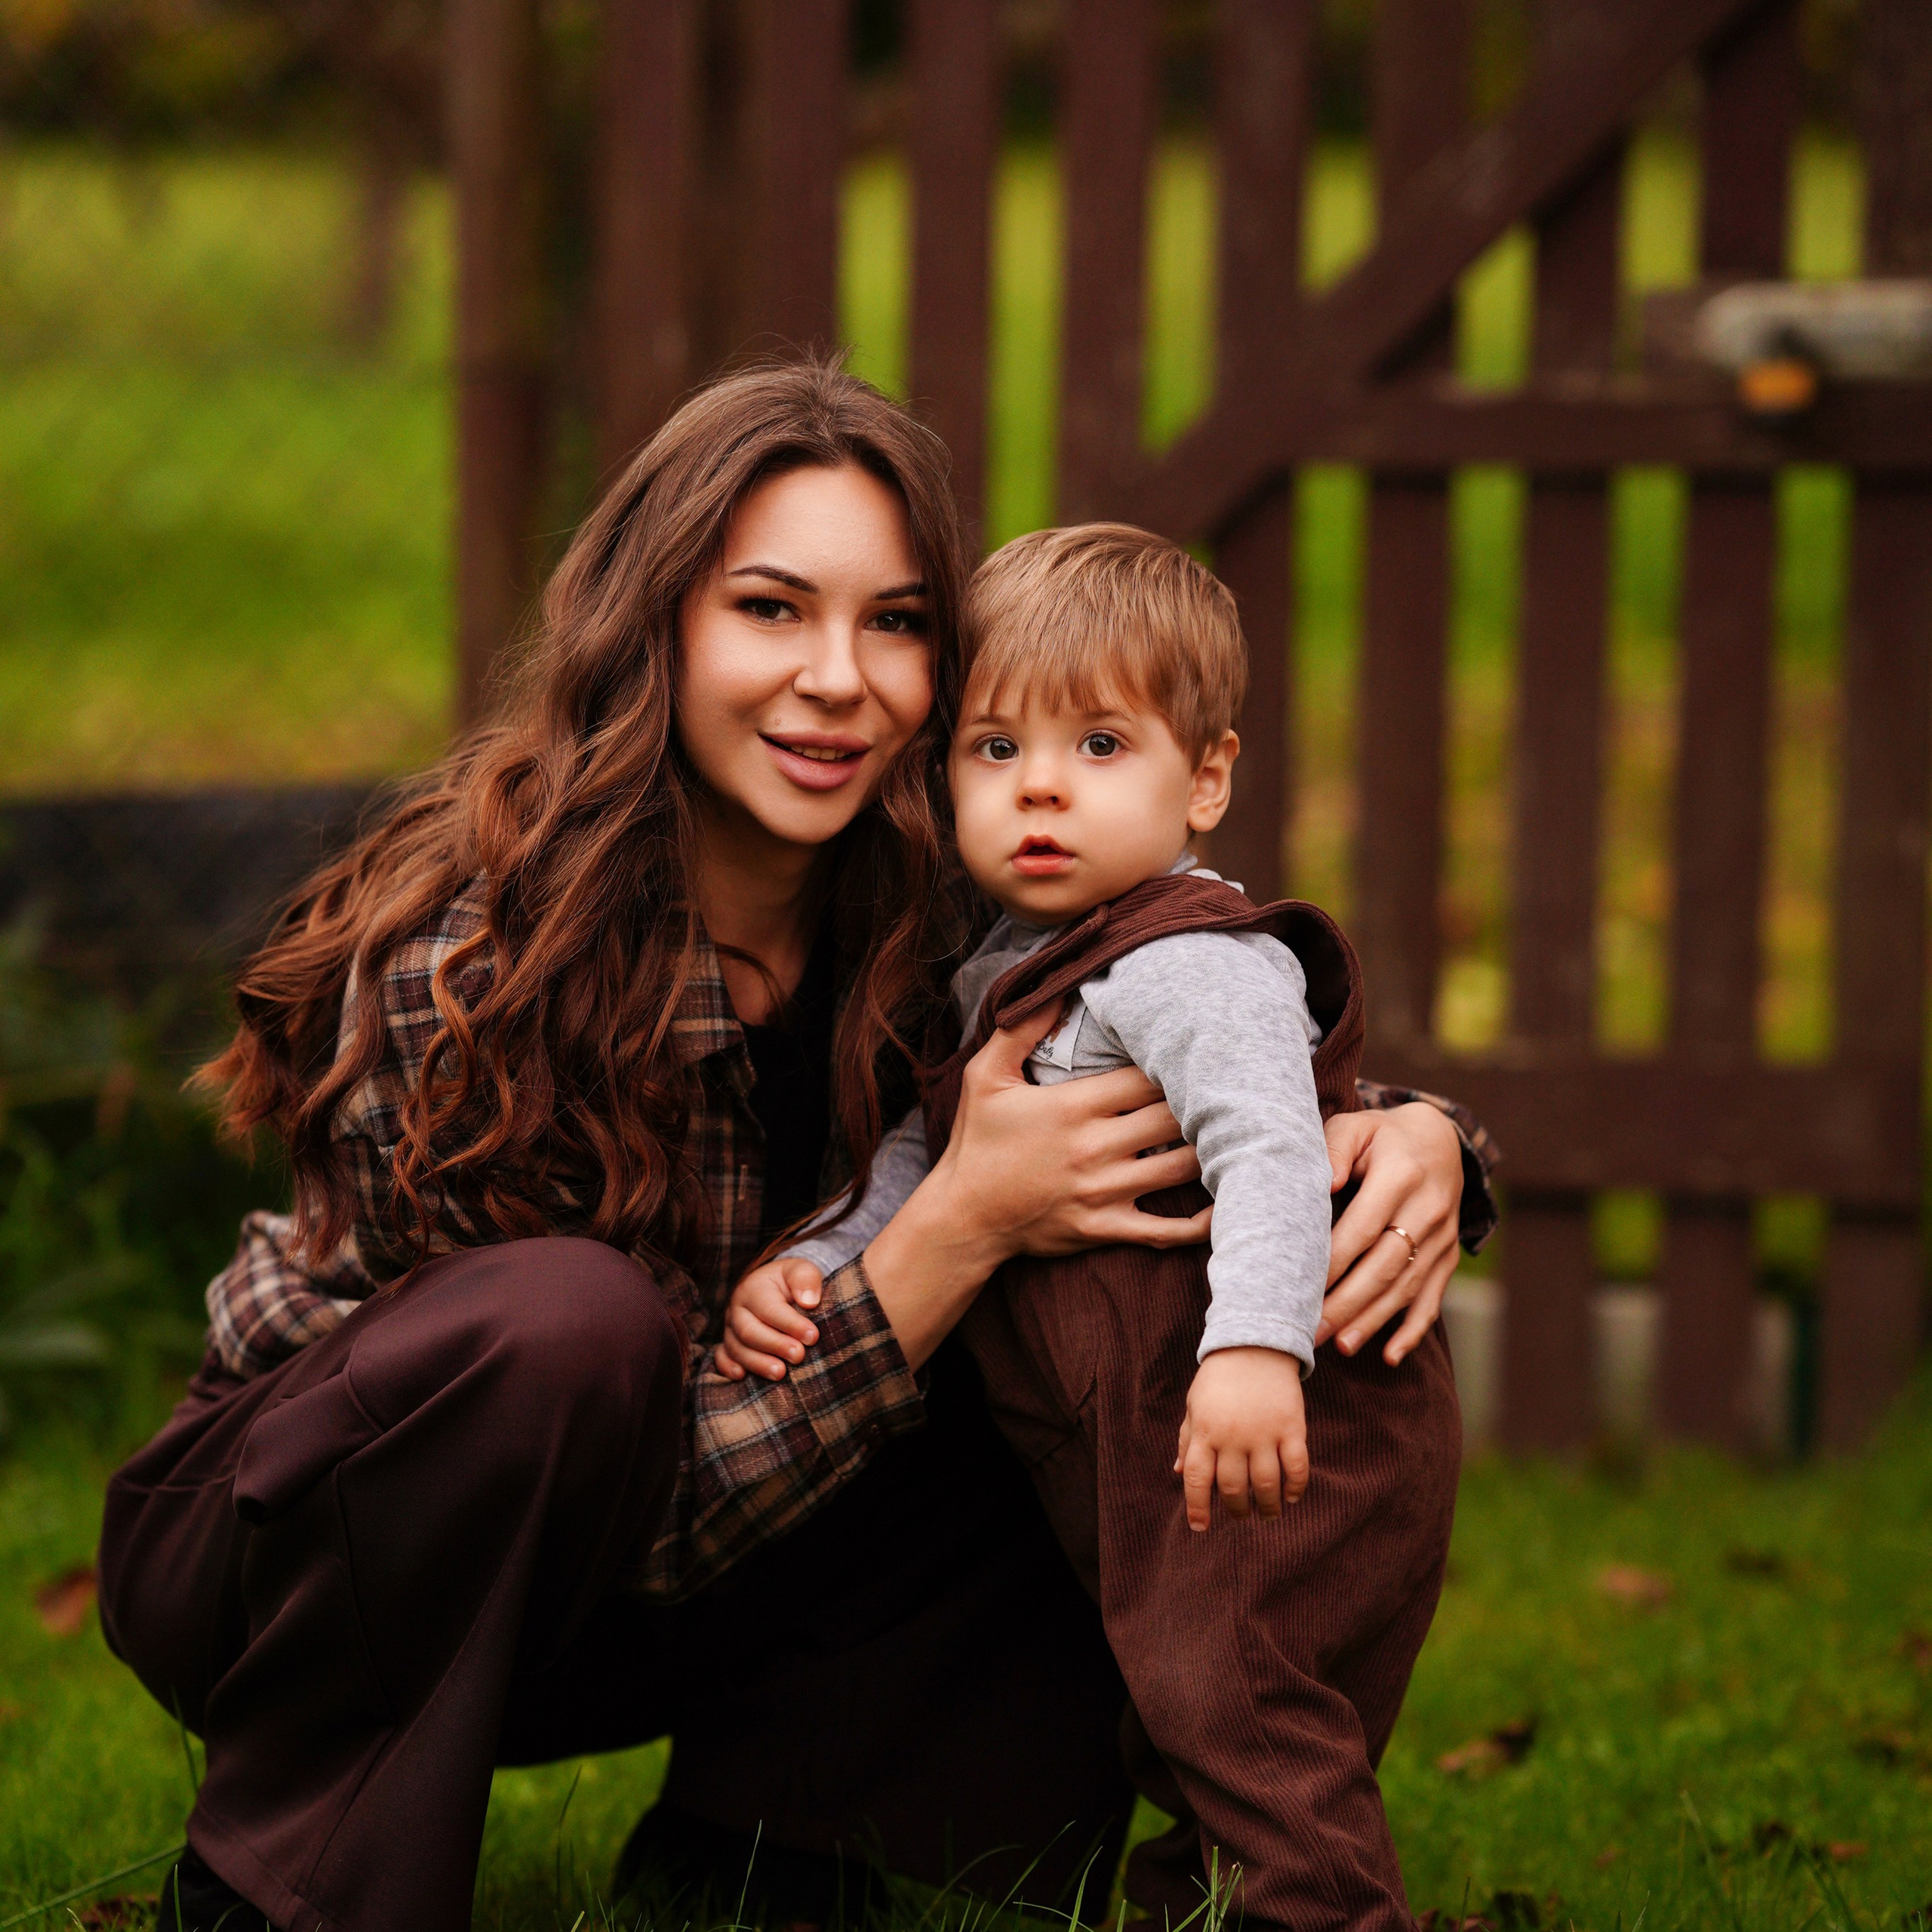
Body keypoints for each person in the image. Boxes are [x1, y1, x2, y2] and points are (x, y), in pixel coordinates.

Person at [94, 360, 1494, 1932]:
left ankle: (777, 1842)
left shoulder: (950, 912)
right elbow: (600, 1472)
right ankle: (275, 1882)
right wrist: (949, 1227)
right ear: (656, 624)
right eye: (769, 608)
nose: (839, 677)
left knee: (1107, 1263)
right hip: (312, 1564)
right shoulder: (475, 954)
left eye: (894, 623)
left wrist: (1413, 1138)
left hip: (696, 1570)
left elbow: (1191, 1006)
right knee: (576, 1322)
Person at [721, 525, 1459, 1930]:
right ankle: (1201, 1906)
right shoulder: (1012, 958)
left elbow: (1269, 1146)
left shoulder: (1184, 962)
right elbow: (928, 1154)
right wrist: (818, 1265)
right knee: (1191, 1706)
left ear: (1211, 778)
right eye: (995, 750)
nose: (1040, 787)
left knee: (1235, 1702)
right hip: (1157, 1428)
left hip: (1271, 1416)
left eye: (1101, 747)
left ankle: (1323, 1912)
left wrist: (1253, 1351)